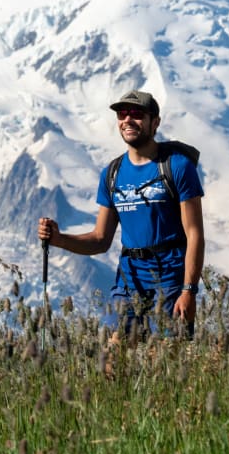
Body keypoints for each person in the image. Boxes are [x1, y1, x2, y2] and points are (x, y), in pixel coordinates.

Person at [38, 89, 205, 337]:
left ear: (155, 122)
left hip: (170, 279)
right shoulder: (112, 173)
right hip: (129, 279)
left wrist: (188, 290)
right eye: (122, 114)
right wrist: (59, 240)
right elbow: (100, 239)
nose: (127, 119)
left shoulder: (178, 167)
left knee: (166, 365)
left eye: (136, 114)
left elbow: (195, 234)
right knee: (112, 357)